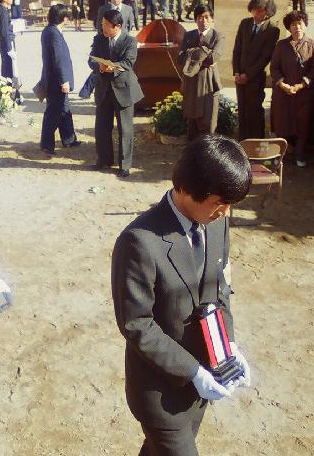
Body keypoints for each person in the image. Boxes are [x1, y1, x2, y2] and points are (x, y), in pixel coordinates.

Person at [111, 134, 252, 456]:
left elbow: (219, 289)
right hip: (161, 390)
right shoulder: (140, 241)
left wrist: (227, 346)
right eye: (219, 202)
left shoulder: (216, 223)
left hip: (204, 376)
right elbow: (137, 324)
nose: (225, 212)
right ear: (188, 189)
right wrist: (192, 371)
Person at [88, 10, 144, 177]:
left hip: (124, 89)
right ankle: (103, 159)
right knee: (101, 127)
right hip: (104, 89)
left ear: (117, 26)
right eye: (102, 24)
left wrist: (111, 66)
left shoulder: (130, 41)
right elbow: (91, 59)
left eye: (106, 25)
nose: (103, 28)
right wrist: (99, 66)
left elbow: (128, 62)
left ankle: (124, 165)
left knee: (125, 129)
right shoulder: (99, 39)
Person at [270, 10, 314, 167]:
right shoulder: (281, 45)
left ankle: (299, 154)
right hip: (283, 93)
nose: (297, 27)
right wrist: (283, 85)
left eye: (300, 24)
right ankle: (280, 155)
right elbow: (274, 67)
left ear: (305, 26)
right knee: (281, 123)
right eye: (293, 24)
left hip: (304, 93)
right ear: (289, 28)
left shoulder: (312, 45)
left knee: (303, 124)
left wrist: (301, 85)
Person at [232, 0, 281, 140]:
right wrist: (236, 72)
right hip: (239, 76)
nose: (256, 13)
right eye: (254, 10)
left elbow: (265, 57)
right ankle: (243, 142)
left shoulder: (272, 29)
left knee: (255, 111)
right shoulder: (245, 23)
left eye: (260, 11)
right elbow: (237, 49)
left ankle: (257, 143)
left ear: (268, 12)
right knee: (242, 110)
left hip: (255, 77)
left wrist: (248, 75)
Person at [179, 5, 224, 140]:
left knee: (208, 123)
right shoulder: (188, 35)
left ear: (211, 19)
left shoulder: (218, 36)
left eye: (206, 17)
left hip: (209, 83)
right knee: (192, 123)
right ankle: (193, 155)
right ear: (195, 19)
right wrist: (204, 51)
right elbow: (180, 57)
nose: (203, 21)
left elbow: (213, 58)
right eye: (200, 17)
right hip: (191, 83)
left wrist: (191, 54)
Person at [39, 4, 79, 155]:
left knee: (65, 110)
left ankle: (69, 138)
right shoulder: (53, 33)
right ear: (64, 18)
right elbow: (58, 59)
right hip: (56, 81)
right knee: (53, 113)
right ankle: (46, 144)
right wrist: (64, 81)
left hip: (54, 79)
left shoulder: (50, 30)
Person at [0, 0, 22, 104]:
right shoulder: (3, 12)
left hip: (3, 43)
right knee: (10, 70)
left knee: (6, 68)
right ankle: (10, 96)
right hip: (7, 43)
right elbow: (4, 32)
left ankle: (8, 94)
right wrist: (10, 48)